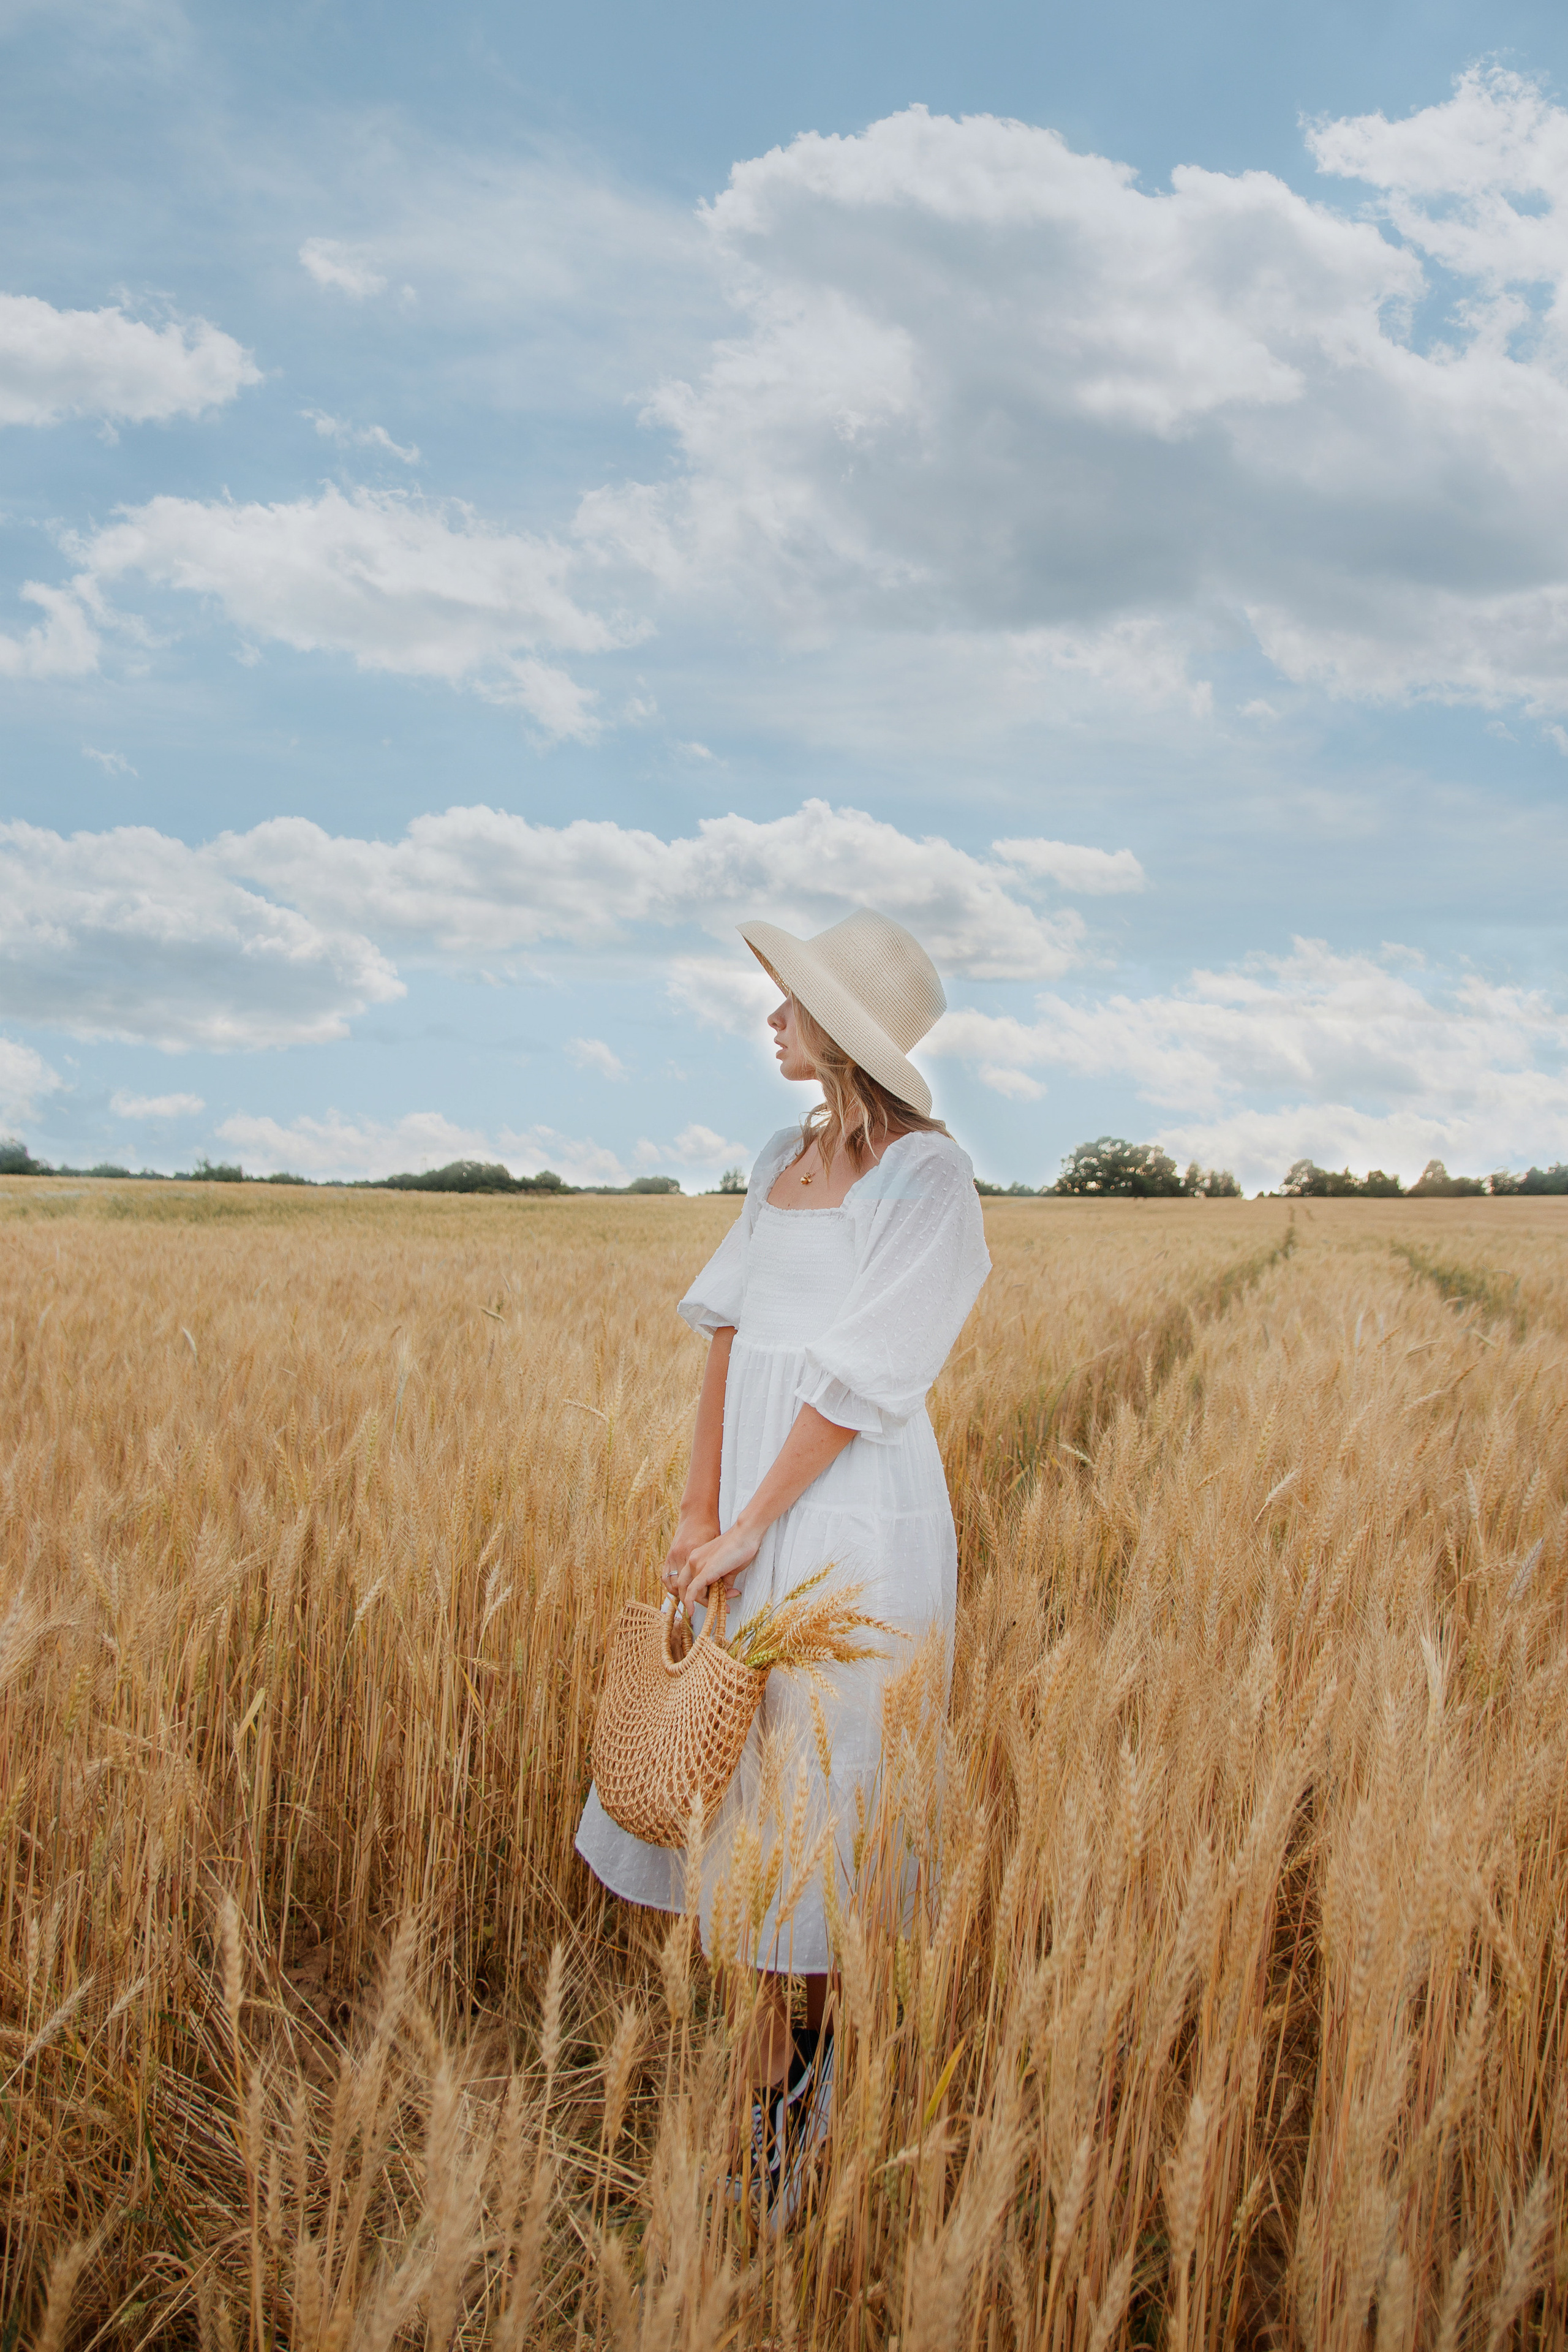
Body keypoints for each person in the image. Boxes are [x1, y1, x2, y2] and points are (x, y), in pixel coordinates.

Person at [575, 906, 990, 2213]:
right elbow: (726, 1333)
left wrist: (760, 1519)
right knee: (747, 1792)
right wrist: (699, 1513)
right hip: (753, 1501)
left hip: (852, 1512)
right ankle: (771, 2069)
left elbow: (866, 1374)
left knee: (823, 1791)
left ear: (841, 1033)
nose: (769, 1019)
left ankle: (793, 2104)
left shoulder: (927, 1177)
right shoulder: (775, 1156)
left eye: (789, 1003)